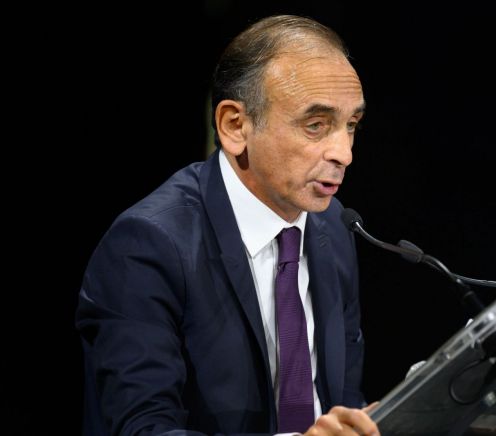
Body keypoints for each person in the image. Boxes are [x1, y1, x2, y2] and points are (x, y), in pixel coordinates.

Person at [76, 15, 379, 436]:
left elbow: (342, 403)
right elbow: (143, 428)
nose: (344, 153)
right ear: (235, 126)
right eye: (316, 126)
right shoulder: (147, 246)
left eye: (351, 126)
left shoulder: (332, 227)